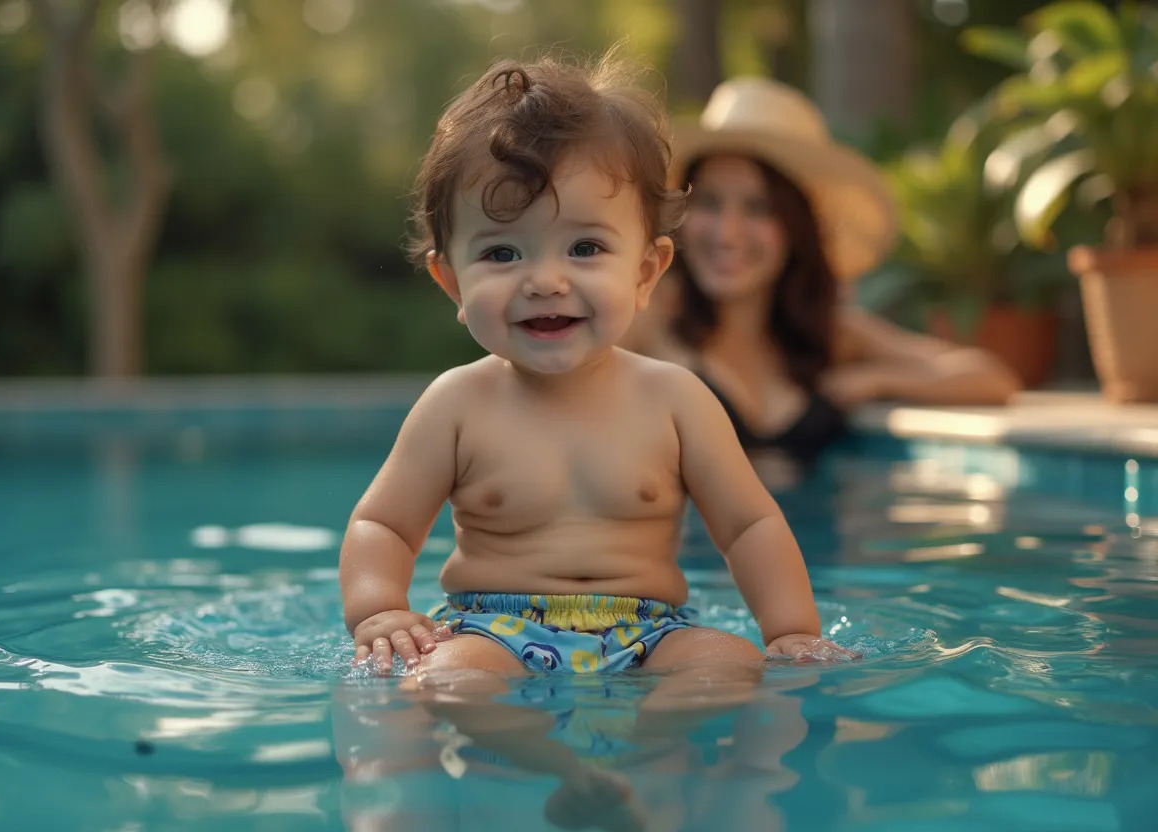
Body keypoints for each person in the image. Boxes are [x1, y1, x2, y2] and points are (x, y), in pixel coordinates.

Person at [338, 52, 851, 831]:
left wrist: (792, 633)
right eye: (503, 253)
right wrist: (377, 609)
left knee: (733, 666)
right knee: (442, 680)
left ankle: (631, 754)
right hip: (494, 628)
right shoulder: (457, 404)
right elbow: (381, 523)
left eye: (585, 249)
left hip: (648, 632)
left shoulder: (675, 398)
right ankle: (552, 766)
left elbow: (750, 524)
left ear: (647, 271)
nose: (546, 279)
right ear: (451, 282)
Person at [624, 77, 1021, 464]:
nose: (727, 233)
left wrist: (877, 380)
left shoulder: (831, 334)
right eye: (709, 203)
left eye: (758, 208)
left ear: (796, 228)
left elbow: (991, 378)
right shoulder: (648, 320)